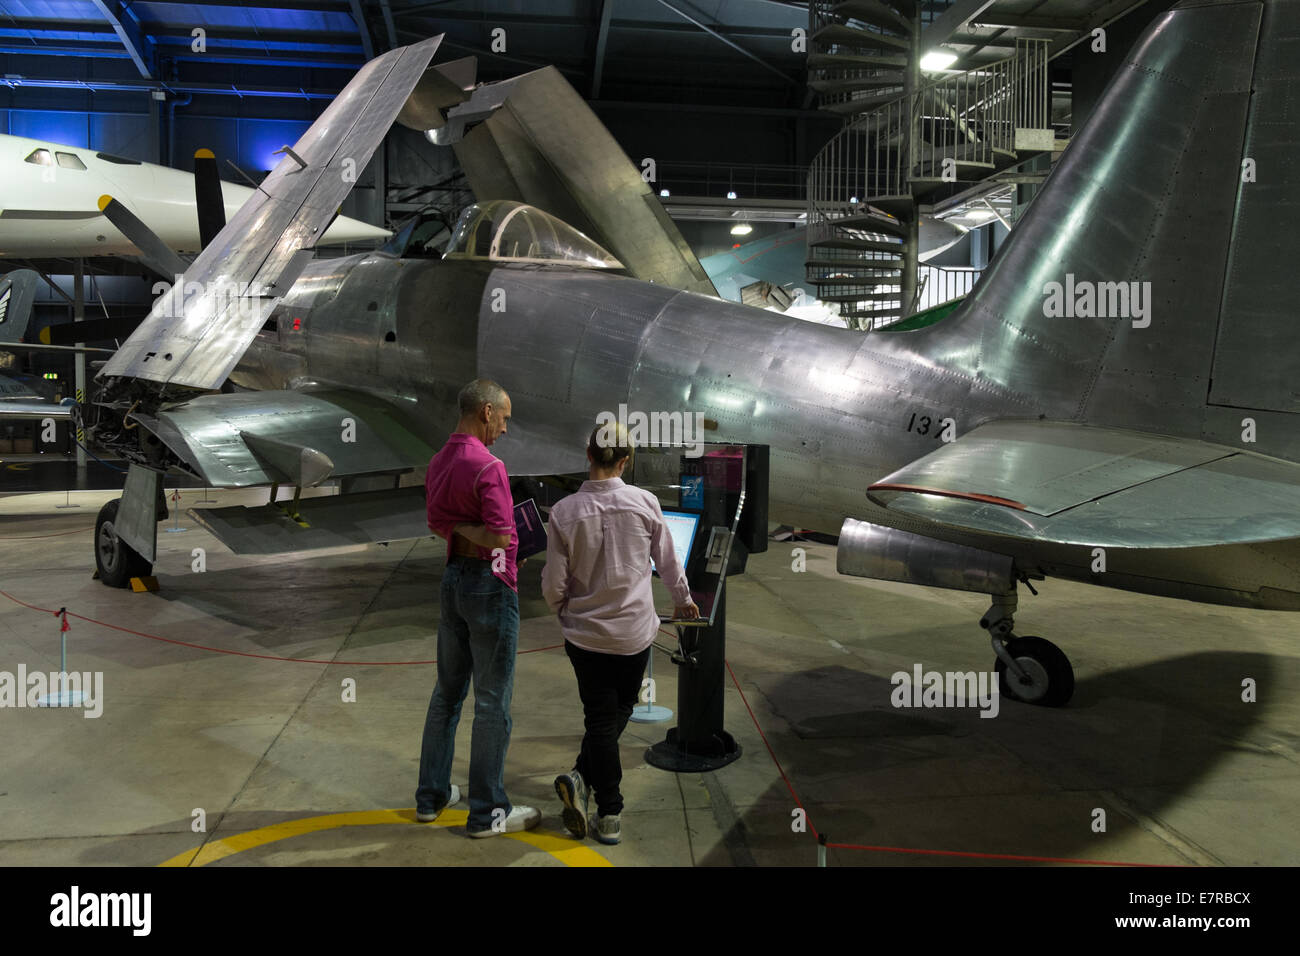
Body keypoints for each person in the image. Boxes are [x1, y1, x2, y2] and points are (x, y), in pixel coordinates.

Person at [542, 422, 698, 845]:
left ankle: (582, 781)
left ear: (588, 455)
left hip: (586, 636)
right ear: (626, 460)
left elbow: (554, 581)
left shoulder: (564, 512)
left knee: (600, 719)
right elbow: (667, 563)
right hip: (633, 634)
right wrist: (683, 600)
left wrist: (561, 610)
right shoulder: (645, 502)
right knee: (620, 710)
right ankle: (609, 809)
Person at [417, 379, 540, 837]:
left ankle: (431, 797)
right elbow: (503, 536)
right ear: (486, 412)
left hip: (452, 581)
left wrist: (461, 530)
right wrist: (490, 540)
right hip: (489, 586)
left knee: (446, 694)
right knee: (492, 703)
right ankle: (488, 811)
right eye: (504, 419)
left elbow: (436, 522)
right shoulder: (488, 466)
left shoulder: (439, 460)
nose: (505, 429)